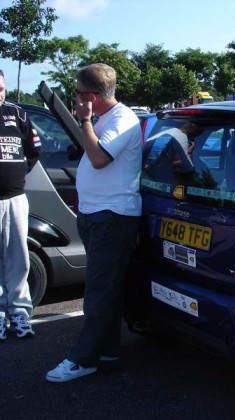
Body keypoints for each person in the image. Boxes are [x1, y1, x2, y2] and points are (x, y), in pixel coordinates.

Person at [46, 63, 142, 381]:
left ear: (90, 96)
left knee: (99, 292)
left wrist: (85, 121)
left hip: (112, 217)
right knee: (107, 290)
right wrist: (87, 122)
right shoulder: (104, 119)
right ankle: (108, 353)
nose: (75, 99)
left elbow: (100, 159)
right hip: (96, 215)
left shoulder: (122, 119)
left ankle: (83, 358)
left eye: (77, 94)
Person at [0, 70, 41, 340]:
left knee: (18, 257)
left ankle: (19, 312)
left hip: (15, 198)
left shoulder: (17, 114)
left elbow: (34, 150)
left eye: (1, 89)